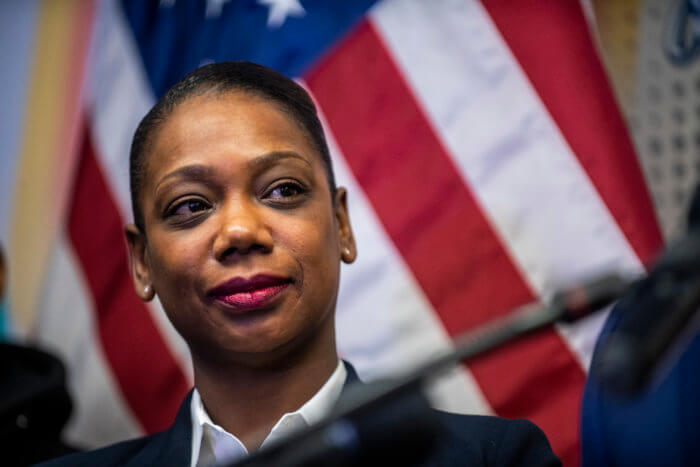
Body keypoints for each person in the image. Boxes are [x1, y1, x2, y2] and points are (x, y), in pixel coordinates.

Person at [39, 62, 560, 467]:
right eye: (191, 205)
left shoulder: (496, 458)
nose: (240, 232)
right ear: (143, 262)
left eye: (282, 190)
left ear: (342, 226)